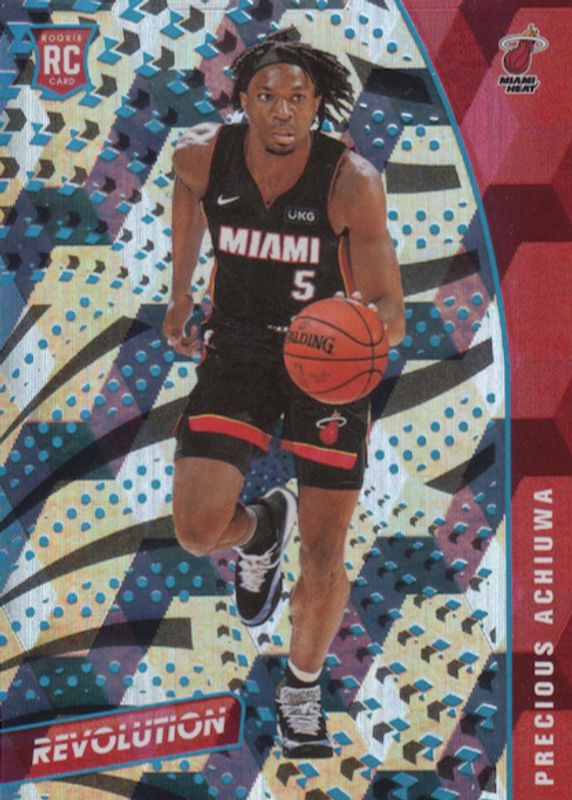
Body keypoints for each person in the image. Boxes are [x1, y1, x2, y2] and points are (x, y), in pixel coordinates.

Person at [162, 27, 405, 759]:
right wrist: (180, 294)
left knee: (324, 553)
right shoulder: (201, 155)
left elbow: (390, 310)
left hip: (326, 361)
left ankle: (301, 688)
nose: (281, 109)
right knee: (197, 529)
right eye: (266, 95)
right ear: (243, 99)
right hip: (239, 344)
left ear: (317, 104)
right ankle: (261, 530)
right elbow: (188, 198)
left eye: (297, 97)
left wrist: (355, 335)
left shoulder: (350, 181)